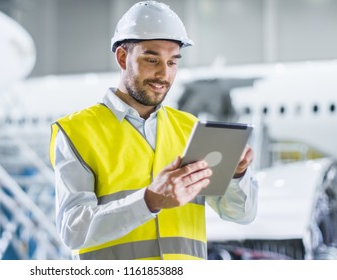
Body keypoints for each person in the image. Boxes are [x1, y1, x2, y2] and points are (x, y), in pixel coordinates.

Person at [49, 0, 258, 260]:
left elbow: (240, 213)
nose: (164, 74)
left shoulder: (190, 129)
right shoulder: (77, 132)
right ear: (123, 58)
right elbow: (73, 230)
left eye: (172, 63)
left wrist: (237, 175)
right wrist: (148, 201)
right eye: (152, 60)